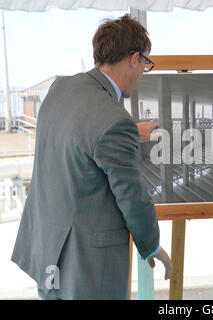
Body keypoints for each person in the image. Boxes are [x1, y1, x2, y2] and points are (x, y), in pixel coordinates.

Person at [11, 14, 171, 300]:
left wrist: (132, 133)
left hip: (48, 250)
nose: (143, 71)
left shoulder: (61, 89)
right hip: (88, 266)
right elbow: (132, 198)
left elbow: (78, 137)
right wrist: (152, 245)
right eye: (146, 63)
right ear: (134, 58)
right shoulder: (114, 120)